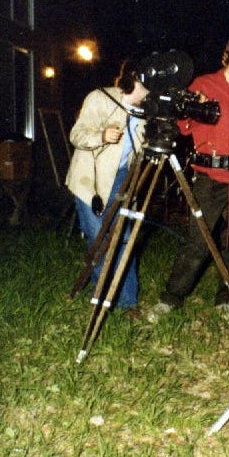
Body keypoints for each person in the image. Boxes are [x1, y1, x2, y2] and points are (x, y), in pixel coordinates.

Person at [148, 35, 229, 319]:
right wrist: (193, 108)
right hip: (209, 176)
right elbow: (183, 128)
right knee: (198, 241)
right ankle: (171, 299)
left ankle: (226, 298)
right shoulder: (204, 85)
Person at [66, 58, 149, 315]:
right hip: (91, 182)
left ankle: (127, 303)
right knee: (100, 242)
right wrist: (101, 136)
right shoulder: (100, 98)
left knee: (124, 240)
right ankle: (100, 301)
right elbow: (76, 135)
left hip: (124, 180)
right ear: (137, 78)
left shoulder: (146, 111)